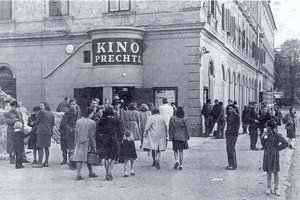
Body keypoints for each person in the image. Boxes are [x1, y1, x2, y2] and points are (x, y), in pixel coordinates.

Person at [261, 119, 288, 196]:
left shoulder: (277, 135)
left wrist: (277, 149)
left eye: (267, 127)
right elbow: (263, 144)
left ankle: (276, 187)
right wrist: (263, 138)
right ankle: (268, 187)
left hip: (274, 155)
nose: (266, 128)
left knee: (275, 172)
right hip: (267, 154)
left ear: (270, 127)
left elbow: (285, 143)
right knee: (268, 171)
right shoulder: (266, 135)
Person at [97, 106, 123, 181]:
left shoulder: (102, 120)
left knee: (106, 157)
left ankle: (107, 172)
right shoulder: (116, 119)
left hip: (105, 139)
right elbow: (120, 130)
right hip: (114, 139)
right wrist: (120, 139)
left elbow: (99, 130)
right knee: (114, 157)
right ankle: (110, 172)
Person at [73, 107, 98, 181]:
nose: (93, 114)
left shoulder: (78, 121)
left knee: (79, 159)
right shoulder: (92, 122)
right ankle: (90, 172)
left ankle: (78, 174)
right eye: (92, 113)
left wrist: (75, 142)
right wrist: (94, 145)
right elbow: (92, 135)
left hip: (79, 141)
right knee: (89, 158)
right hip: (88, 142)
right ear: (90, 114)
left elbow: (76, 133)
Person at [60, 99, 81, 169]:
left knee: (76, 147)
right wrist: (70, 129)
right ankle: (71, 163)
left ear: (76, 104)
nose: (73, 106)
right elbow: (64, 123)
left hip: (77, 130)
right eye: (71, 104)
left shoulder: (78, 112)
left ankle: (75, 162)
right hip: (70, 131)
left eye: (74, 104)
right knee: (71, 148)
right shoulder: (67, 112)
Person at [33, 102, 55, 168]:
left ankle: (39, 163)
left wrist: (33, 122)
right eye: (40, 105)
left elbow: (37, 121)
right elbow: (53, 123)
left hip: (41, 131)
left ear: (45, 106)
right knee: (46, 147)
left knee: (40, 147)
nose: (40, 107)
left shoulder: (41, 112)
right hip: (48, 131)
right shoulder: (51, 113)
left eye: (41, 105)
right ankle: (46, 162)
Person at [225, 105, 240, 170]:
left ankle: (233, 165)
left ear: (234, 109)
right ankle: (230, 164)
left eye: (231, 109)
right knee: (228, 149)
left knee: (231, 149)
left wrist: (234, 134)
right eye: (229, 109)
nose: (229, 110)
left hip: (233, 135)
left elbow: (237, 126)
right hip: (228, 134)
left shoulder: (236, 116)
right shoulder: (229, 115)